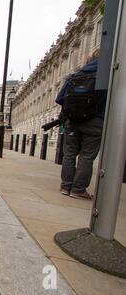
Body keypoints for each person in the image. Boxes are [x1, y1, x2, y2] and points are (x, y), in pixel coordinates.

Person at [56, 59, 105, 200]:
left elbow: (60, 99)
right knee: (87, 156)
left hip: (72, 121)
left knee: (69, 154)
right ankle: (78, 189)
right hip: (95, 122)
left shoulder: (74, 77)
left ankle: (66, 186)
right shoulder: (105, 77)